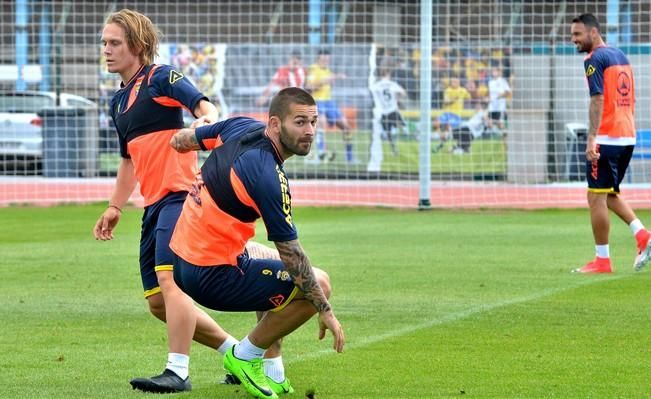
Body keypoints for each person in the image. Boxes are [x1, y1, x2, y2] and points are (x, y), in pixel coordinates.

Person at [95, 9, 240, 393]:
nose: (106, 50)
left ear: (138, 46)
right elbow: (129, 160)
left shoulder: (160, 77)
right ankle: (238, 352)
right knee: (158, 303)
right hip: (153, 205)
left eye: (115, 43)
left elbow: (203, 105)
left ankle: (177, 371)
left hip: (181, 197)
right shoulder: (118, 102)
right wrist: (114, 206)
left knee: (170, 280)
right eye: (104, 43)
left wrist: (204, 121)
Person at [168, 87, 345, 399]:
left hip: (182, 260)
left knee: (265, 261)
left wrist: (197, 130)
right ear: (275, 125)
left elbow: (180, 141)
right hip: (209, 275)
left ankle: (273, 372)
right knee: (318, 283)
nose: (310, 131)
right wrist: (325, 310)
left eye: (313, 122)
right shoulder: (267, 176)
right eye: (300, 122)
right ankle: (244, 355)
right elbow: (292, 254)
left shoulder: (238, 126)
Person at [570, 13, 651, 273]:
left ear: (593, 33)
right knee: (609, 194)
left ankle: (602, 260)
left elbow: (597, 98)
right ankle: (643, 236)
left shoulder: (594, 59)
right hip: (627, 135)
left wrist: (592, 138)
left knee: (595, 197)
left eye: (578, 34)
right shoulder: (620, 56)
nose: (574, 40)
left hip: (606, 137)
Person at [306, 48, 352, 163]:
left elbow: (329, 83)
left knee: (346, 126)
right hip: (317, 101)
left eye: (327, 59)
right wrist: (325, 81)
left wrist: (331, 79)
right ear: (319, 58)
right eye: (323, 59)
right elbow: (309, 87)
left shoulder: (329, 72)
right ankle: (320, 154)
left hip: (329, 102)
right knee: (321, 123)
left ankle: (350, 157)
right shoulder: (313, 69)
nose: (326, 61)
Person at [367, 67, 407, 172]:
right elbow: (403, 93)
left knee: (388, 134)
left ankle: (393, 150)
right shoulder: (392, 84)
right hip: (393, 110)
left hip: (384, 112)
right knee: (403, 126)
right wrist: (398, 99)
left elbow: (371, 92)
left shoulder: (376, 86)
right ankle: (410, 141)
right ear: (389, 73)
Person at [487, 67, 511, 133]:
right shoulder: (490, 82)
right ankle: (497, 135)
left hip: (500, 107)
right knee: (489, 123)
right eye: (493, 71)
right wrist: (488, 99)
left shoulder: (503, 81)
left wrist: (500, 96)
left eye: (495, 71)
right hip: (492, 107)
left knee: (500, 124)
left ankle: (505, 137)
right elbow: (490, 94)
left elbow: (508, 93)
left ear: (499, 72)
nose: (494, 72)